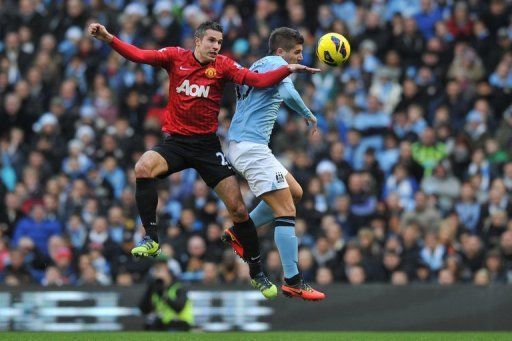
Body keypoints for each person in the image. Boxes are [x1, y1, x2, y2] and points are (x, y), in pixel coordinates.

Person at [89, 21, 319, 299]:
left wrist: (287, 69)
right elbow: (138, 55)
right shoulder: (175, 57)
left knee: (238, 209)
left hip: (208, 147)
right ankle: (151, 238)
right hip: (175, 143)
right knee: (143, 167)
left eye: (219, 42)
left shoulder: (223, 66)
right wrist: (109, 38)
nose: (216, 47)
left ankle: (256, 271)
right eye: (211, 40)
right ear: (197, 41)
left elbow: (257, 81)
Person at [222, 27, 325, 301]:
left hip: (248, 146)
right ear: (281, 52)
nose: (300, 58)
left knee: (296, 192)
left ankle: (239, 234)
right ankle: (293, 280)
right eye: (297, 52)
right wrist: (309, 115)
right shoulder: (277, 65)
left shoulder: (258, 65)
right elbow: (289, 94)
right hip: (251, 148)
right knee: (286, 209)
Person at [139, 260, 194, 331]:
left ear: (169, 274)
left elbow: (179, 308)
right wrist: (150, 288)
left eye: (162, 272)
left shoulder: (178, 288)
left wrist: (163, 295)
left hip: (181, 323)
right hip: (164, 324)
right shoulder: (156, 290)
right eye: (157, 272)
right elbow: (144, 310)